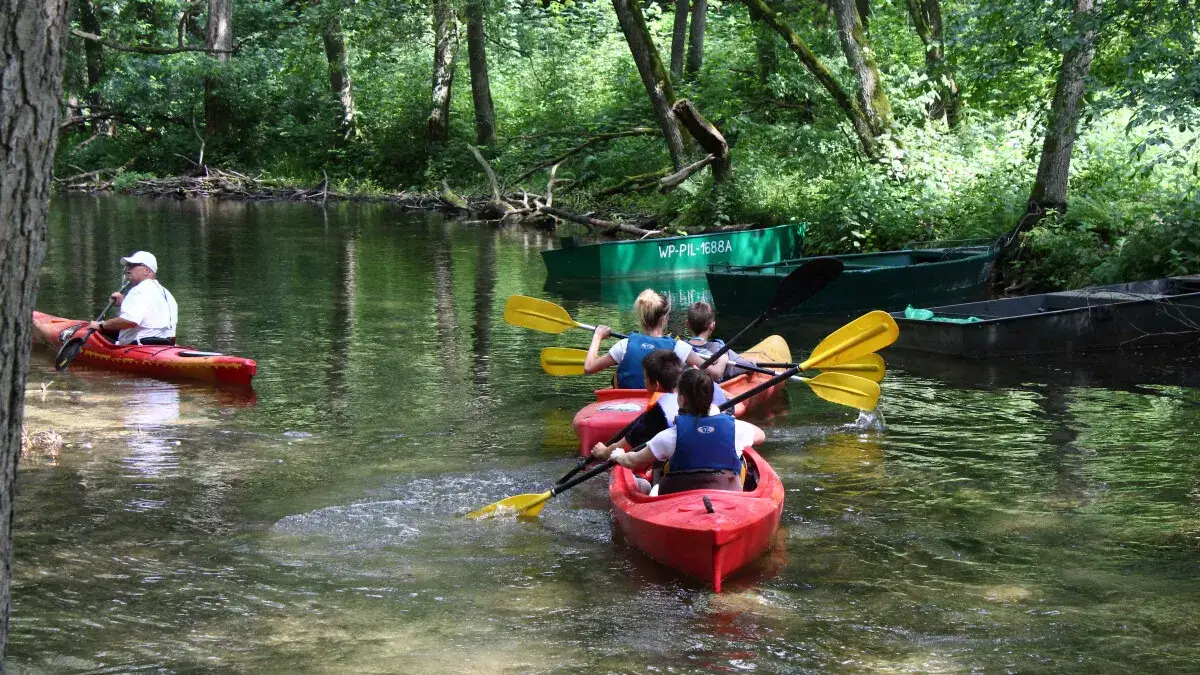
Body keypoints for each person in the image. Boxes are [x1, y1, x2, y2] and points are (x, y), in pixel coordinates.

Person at [609, 368, 765, 496]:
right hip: (727, 499)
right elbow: (761, 436)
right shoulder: (736, 429)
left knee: (643, 484)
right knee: (743, 461)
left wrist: (618, 455)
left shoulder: (669, 437)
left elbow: (633, 461)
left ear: (682, 400)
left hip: (679, 502)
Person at [592, 349, 740, 463]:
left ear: (656, 385)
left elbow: (624, 446)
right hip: (719, 462)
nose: (643, 381)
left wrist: (603, 452)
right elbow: (734, 410)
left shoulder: (657, 414)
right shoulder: (706, 388)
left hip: (683, 470)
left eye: (645, 377)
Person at [584, 289, 725, 389]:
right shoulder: (679, 347)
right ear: (665, 319)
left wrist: (598, 336)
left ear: (643, 317)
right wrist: (723, 359)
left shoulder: (624, 345)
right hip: (659, 406)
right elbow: (716, 374)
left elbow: (589, 367)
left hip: (626, 403)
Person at [89, 251, 179, 346]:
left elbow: (130, 321)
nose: (128, 269)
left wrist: (101, 325)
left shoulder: (138, 290)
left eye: (133, 265)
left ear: (147, 270)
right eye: (128, 266)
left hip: (141, 347)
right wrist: (123, 303)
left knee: (98, 330)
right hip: (166, 344)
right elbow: (149, 314)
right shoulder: (167, 293)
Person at [685, 301, 759, 382]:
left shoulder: (680, 347)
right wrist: (752, 362)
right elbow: (745, 366)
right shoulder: (720, 349)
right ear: (712, 325)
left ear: (687, 324)